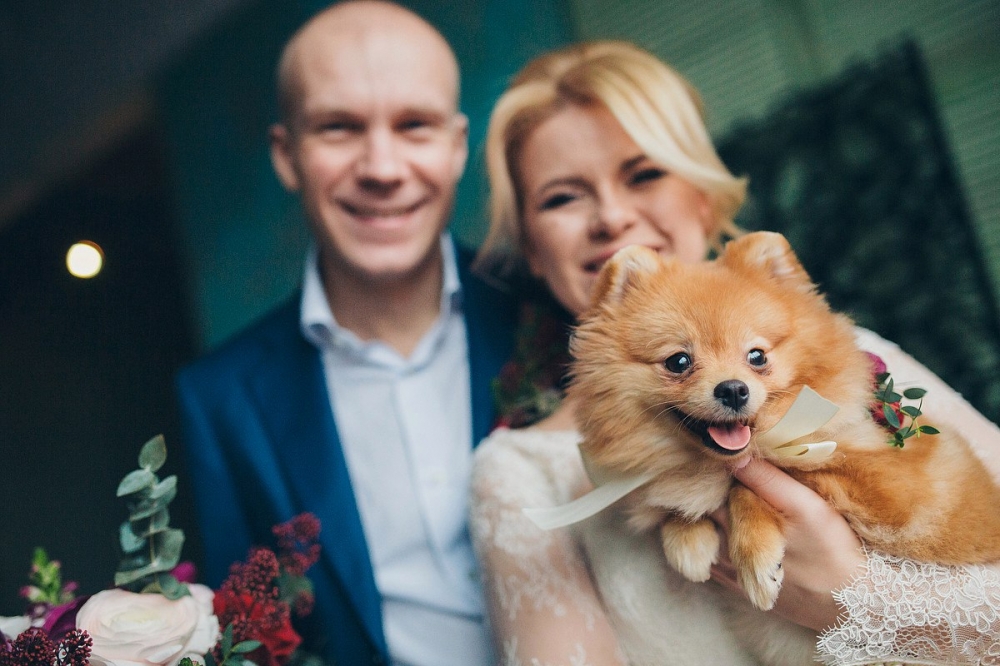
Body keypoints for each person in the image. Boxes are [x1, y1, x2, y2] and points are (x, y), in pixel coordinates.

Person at [469, 39, 1000, 665]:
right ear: (532, 249)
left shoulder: (859, 362)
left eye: (644, 174)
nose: (611, 217)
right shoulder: (520, 474)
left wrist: (851, 600)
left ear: (701, 195)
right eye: (562, 197)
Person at [176, 3, 516, 665]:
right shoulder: (220, 400)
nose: (382, 168)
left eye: (414, 125)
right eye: (339, 127)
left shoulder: (548, 313)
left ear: (456, 146)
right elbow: (248, 645)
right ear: (287, 156)